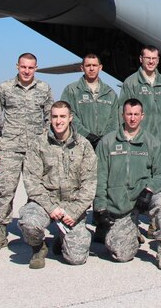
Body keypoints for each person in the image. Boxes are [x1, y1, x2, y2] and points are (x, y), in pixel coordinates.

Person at [94, 99, 161, 269]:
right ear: (122, 115)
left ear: (142, 116)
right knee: (121, 254)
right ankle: (130, 232)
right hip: (120, 204)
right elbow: (99, 177)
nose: (132, 118)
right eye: (129, 114)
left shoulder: (151, 142)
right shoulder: (108, 142)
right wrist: (100, 206)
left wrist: (149, 189)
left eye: (136, 114)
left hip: (143, 197)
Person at [0, 52, 53, 251]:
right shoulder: (5, 88)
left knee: (36, 193)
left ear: (36, 68)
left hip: (35, 150)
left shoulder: (44, 89)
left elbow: (50, 119)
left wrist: (45, 144)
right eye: (23, 67)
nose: (26, 71)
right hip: (10, 149)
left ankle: (34, 232)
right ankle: (0, 233)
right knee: (5, 192)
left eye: (30, 67)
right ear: (17, 66)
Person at [19, 101, 97, 269]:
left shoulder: (83, 146)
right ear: (50, 118)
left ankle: (63, 239)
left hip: (72, 204)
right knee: (29, 223)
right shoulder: (39, 144)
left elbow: (89, 184)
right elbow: (31, 181)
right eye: (55, 117)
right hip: (45, 202)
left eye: (63, 116)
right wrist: (50, 207)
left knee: (76, 259)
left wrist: (75, 211)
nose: (58, 121)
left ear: (70, 118)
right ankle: (38, 248)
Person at [119, 45, 161, 153]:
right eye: (148, 58)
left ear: (158, 60)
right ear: (141, 59)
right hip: (138, 143)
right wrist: (124, 137)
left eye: (154, 58)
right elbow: (122, 112)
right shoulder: (131, 83)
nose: (151, 61)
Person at [59, 53, 118, 149]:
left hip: (105, 145)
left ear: (100, 67)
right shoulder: (72, 90)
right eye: (88, 65)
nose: (91, 69)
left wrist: (104, 139)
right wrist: (87, 135)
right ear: (82, 68)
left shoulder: (110, 93)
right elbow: (68, 115)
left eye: (94, 65)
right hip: (79, 144)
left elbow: (114, 120)